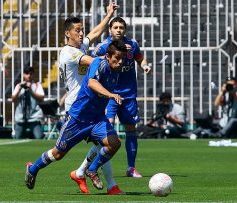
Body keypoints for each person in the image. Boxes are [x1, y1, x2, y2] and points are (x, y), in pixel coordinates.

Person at [24, 40, 126, 194]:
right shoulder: (99, 63)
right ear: (107, 56)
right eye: (116, 58)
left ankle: (91, 170)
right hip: (78, 119)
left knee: (114, 143)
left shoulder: (116, 70)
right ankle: (33, 168)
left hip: (97, 119)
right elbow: (92, 83)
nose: (119, 62)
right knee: (58, 154)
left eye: (122, 59)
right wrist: (111, 95)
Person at [72, 17, 151, 181]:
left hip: (128, 94)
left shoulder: (133, 45)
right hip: (108, 96)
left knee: (131, 129)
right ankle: (89, 169)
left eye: (121, 27)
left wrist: (145, 66)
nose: (118, 30)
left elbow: (140, 58)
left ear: (125, 30)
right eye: (115, 27)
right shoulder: (103, 48)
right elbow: (92, 62)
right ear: (110, 30)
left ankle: (131, 168)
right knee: (105, 133)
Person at [59, 3, 123, 195]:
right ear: (68, 34)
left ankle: (91, 177)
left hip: (89, 103)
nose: (81, 34)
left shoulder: (79, 46)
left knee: (106, 144)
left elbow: (94, 33)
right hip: (78, 106)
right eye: (78, 30)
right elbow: (95, 61)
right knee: (61, 152)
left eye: (81, 30)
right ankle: (87, 175)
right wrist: (113, 54)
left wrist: (108, 15)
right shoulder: (69, 53)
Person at [12, 66, 45, 139]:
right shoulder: (19, 85)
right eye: (27, 73)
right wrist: (19, 89)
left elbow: (42, 98)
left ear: (33, 74)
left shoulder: (37, 85)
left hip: (34, 117)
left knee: (39, 137)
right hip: (20, 118)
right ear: (23, 74)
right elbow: (13, 99)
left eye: (31, 74)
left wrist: (31, 91)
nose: (29, 76)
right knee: (18, 138)